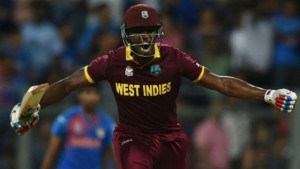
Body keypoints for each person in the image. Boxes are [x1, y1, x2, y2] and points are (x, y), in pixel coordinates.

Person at [10, 4, 297, 169]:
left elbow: (221, 83)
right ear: (126, 36)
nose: (145, 40)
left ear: (159, 33)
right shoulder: (112, 61)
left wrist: (267, 94)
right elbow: (68, 84)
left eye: (150, 33)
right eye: (138, 34)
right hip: (132, 138)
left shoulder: (174, 58)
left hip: (170, 139)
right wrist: (33, 105)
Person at [40, 84, 115, 169]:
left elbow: (116, 157)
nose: (92, 97)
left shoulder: (107, 123)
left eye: (96, 93)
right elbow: (51, 155)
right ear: (79, 95)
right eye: (88, 92)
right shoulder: (65, 119)